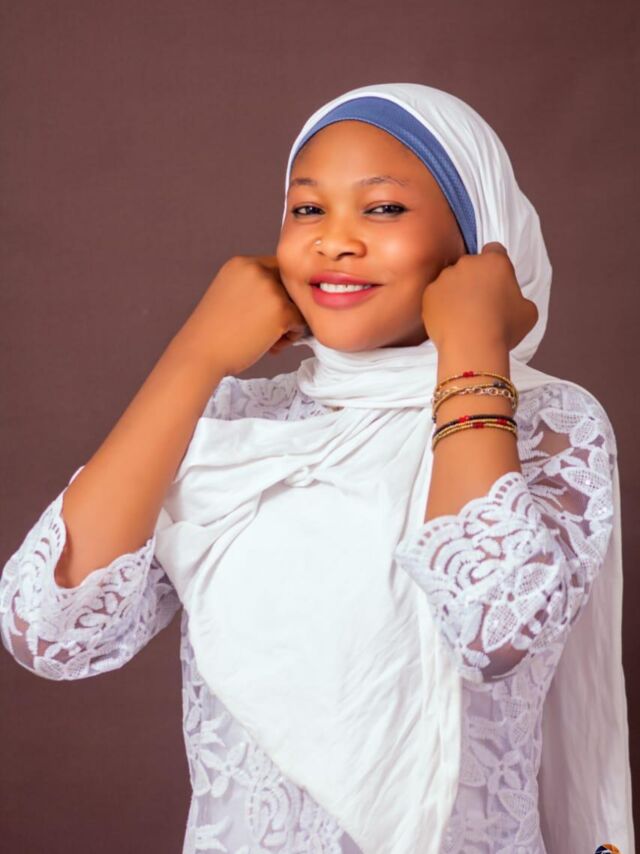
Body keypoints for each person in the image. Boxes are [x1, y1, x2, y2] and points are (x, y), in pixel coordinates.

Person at [0, 82, 634, 854]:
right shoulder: (240, 422)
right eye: (307, 209)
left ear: (476, 241)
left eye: (382, 208)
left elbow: (492, 628)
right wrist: (195, 356)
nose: (334, 241)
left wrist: (474, 346)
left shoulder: (545, 424)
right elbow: (50, 633)